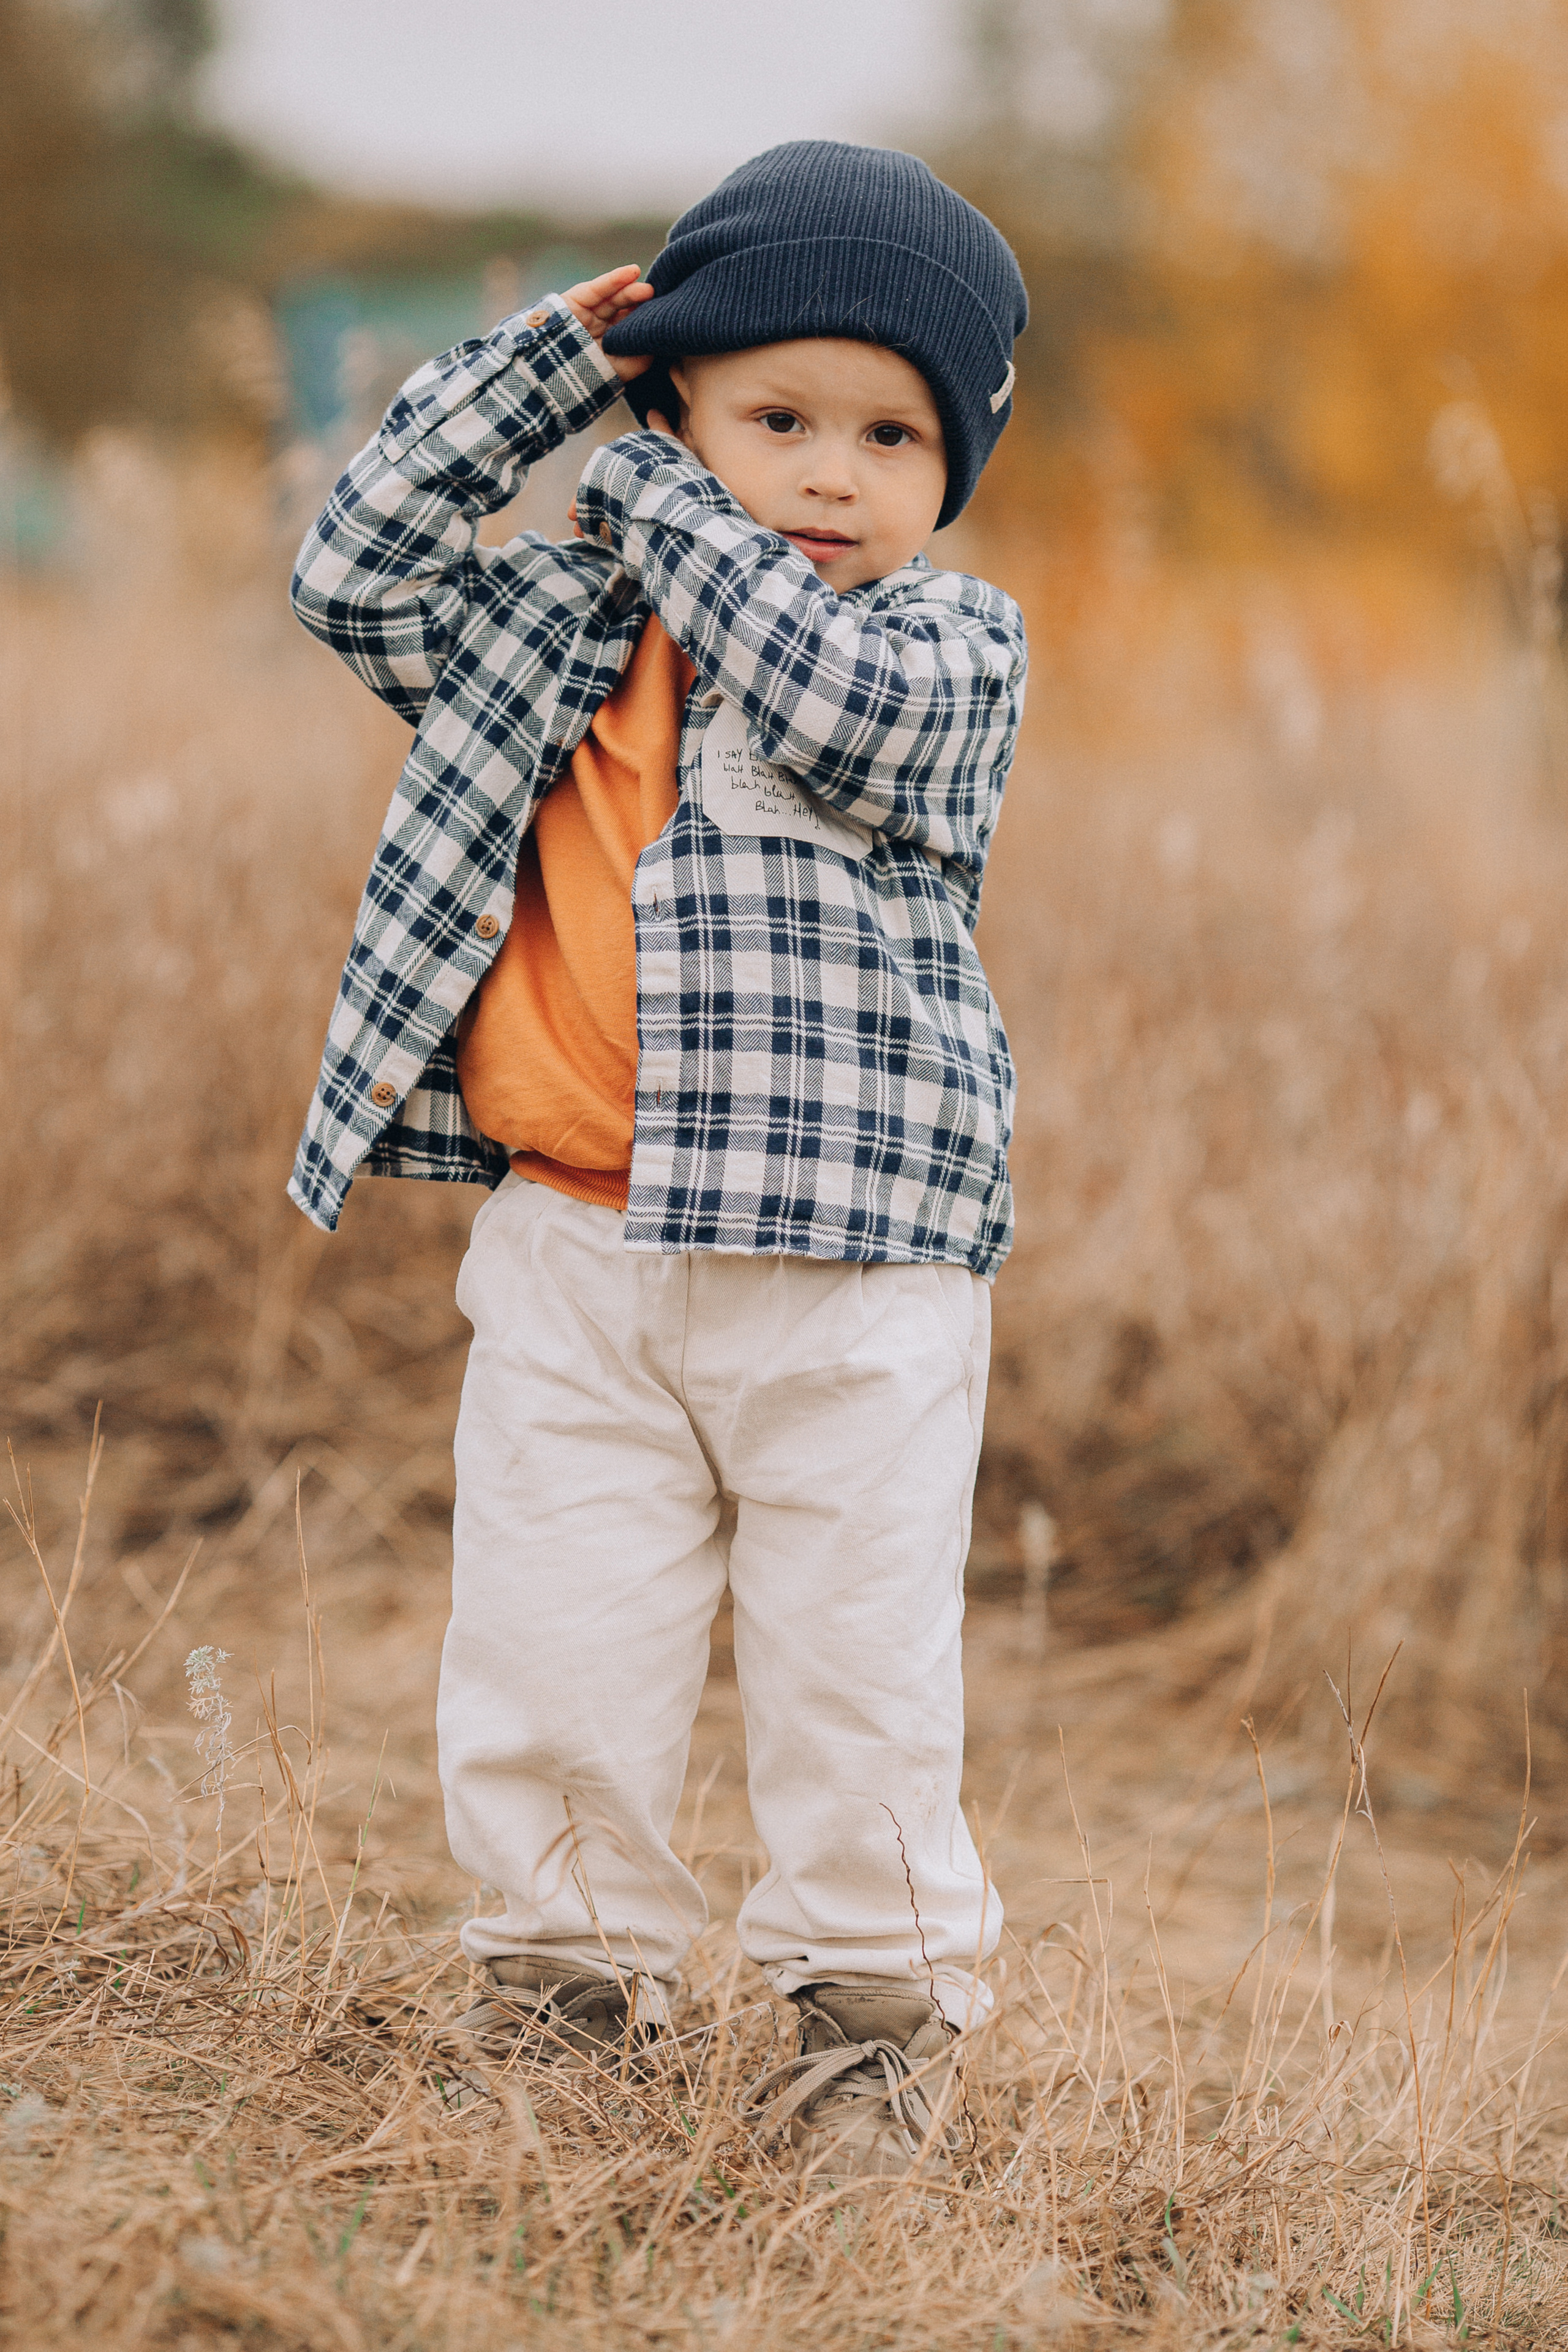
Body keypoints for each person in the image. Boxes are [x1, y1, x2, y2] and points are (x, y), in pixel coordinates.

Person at [288, 140, 1028, 2182]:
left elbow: (819, 687)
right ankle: (563, 2001)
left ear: (948, 469)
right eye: (774, 419)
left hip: (854, 1278)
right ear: (681, 404)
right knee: (553, 1645)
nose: (826, 475)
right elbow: (348, 569)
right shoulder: (548, 630)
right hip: (574, 1256)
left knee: (854, 1671)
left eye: (887, 436)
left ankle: (870, 2034)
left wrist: (653, 497)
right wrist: (549, 376)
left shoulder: (951, 656)